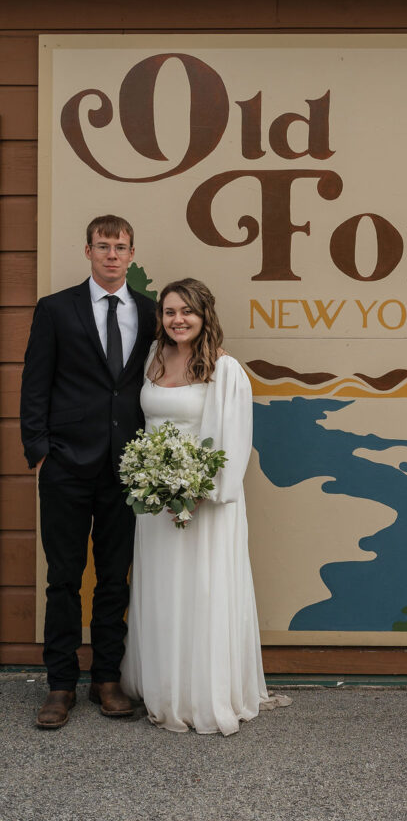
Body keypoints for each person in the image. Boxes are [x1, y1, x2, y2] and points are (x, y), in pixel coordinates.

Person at [120, 278, 289, 734]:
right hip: (155, 501)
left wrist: (196, 492)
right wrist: (152, 480)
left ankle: (202, 693)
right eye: (170, 311)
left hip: (205, 502)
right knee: (161, 589)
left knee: (203, 589)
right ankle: (162, 684)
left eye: (187, 312)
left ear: (204, 315)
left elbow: (233, 441)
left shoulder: (224, 369)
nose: (178, 320)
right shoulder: (153, 360)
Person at [20, 215, 157, 729]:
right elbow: (36, 381)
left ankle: (106, 678)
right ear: (88, 251)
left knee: (114, 580)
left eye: (121, 247)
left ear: (131, 251)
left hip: (125, 466)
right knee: (63, 577)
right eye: (103, 246)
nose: (112, 255)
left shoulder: (147, 312)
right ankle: (60, 685)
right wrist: (38, 448)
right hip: (66, 465)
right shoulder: (56, 309)